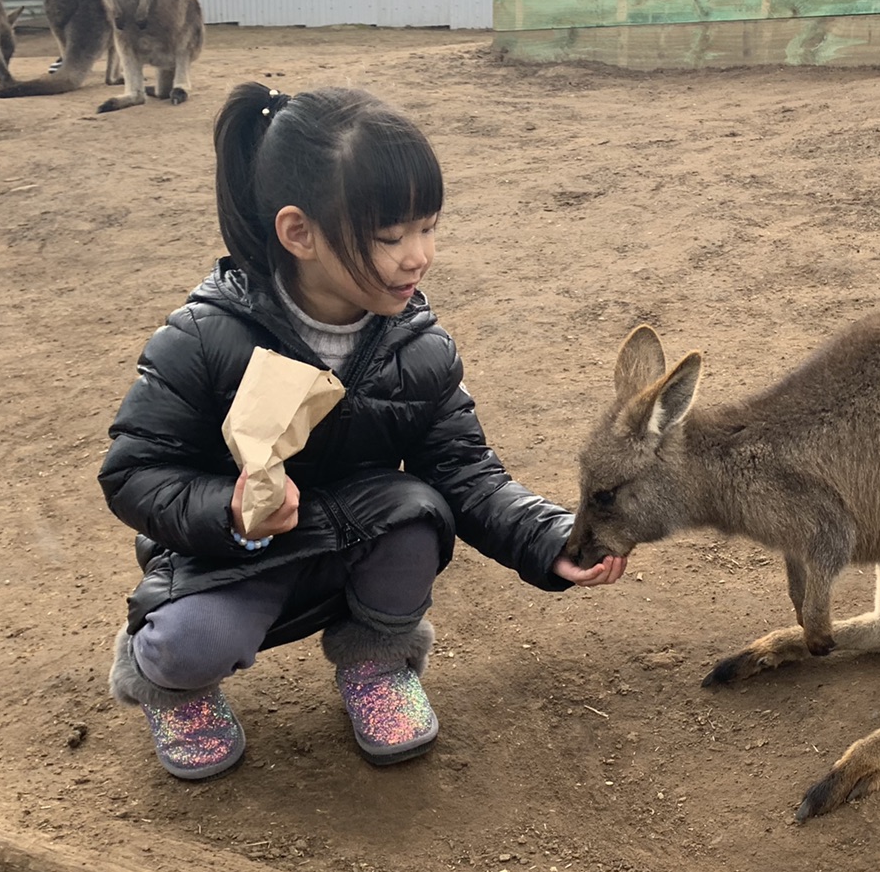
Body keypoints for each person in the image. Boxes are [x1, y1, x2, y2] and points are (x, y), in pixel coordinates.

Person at [100, 84, 627, 780]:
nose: (419, 256)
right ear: (299, 233)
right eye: (390, 237)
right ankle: (166, 677)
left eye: (428, 228)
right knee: (193, 640)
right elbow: (133, 471)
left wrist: (546, 537)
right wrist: (227, 511)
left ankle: (376, 662)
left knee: (418, 516)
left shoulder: (418, 343)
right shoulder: (203, 337)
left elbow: (465, 470)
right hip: (230, 553)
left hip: (353, 534)